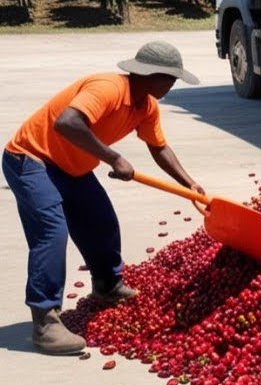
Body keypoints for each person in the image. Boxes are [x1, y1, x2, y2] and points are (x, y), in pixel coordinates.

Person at [3, 42, 203, 355]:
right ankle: (45, 321)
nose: (172, 85)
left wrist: (190, 184)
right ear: (150, 75)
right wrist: (114, 158)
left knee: (101, 222)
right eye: (170, 79)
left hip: (73, 166)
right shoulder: (108, 88)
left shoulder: (146, 106)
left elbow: (159, 148)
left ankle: (107, 285)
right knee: (51, 231)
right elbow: (67, 122)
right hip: (31, 158)